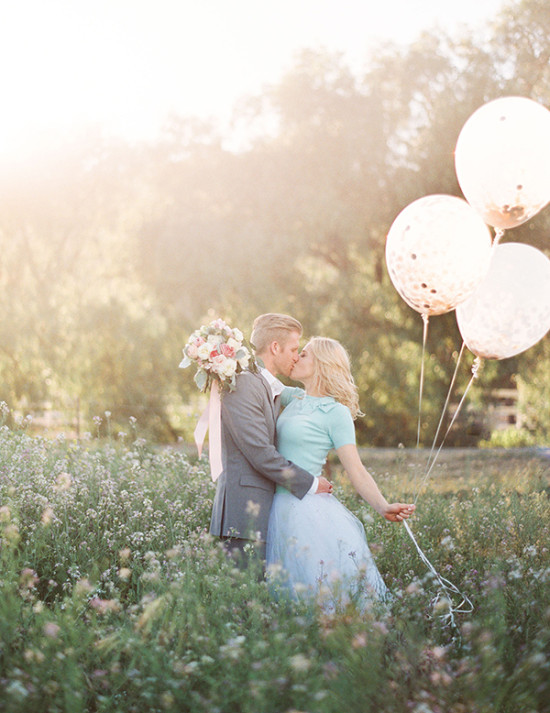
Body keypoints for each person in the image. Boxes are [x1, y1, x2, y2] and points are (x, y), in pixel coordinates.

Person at [266, 336, 415, 610]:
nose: (297, 357)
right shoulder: (293, 396)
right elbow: (262, 374)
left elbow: (356, 469)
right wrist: (223, 358)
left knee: (321, 596)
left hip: (307, 511)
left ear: (322, 364)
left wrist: (382, 506)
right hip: (276, 504)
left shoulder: (336, 413)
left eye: (305, 354)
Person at [209, 314, 332, 567]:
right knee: (243, 602)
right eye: (294, 349)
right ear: (275, 348)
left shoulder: (265, 385)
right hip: (242, 517)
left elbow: (296, 396)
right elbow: (261, 454)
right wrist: (310, 483)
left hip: (259, 515)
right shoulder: (243, 384)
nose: (296, 356)